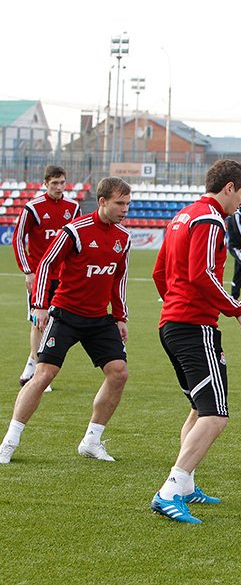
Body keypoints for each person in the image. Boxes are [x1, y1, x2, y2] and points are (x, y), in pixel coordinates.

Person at [150, 159, 241, 524]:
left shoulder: (182, 216)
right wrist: (237, 309)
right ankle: (169, 491)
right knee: (215, 415)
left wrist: (176, 304)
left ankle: (185, 484)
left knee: (198, 410)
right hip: (193, 326)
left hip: (173, 323)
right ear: (229, 188)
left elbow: (159, 272)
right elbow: (202, 274)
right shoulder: (211, 219)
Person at [1, 177, 132, 464]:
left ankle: (91, 440)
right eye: (119, 203)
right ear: (102, 201)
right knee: (44, 374)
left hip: (99, 318)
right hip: (66, 313)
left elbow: (118, 279)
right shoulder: (75, 230)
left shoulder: (123, 238)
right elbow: (46, 264)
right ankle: (9, 441)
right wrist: (40, 305)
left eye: (127, 203)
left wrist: (120, 317)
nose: (125, 209)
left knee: (118, 373)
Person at [12, 164, 81, 388]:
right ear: (45, 184)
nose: (60, 187)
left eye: (62, 183)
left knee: (56, 322)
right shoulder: (32, 208)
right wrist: (28, 271)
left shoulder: (73, 207)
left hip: (63, 276)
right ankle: (39, 370)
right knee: (39, 320)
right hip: (40, 275)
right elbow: (18, 238)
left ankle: (32, 366)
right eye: (55, 183)